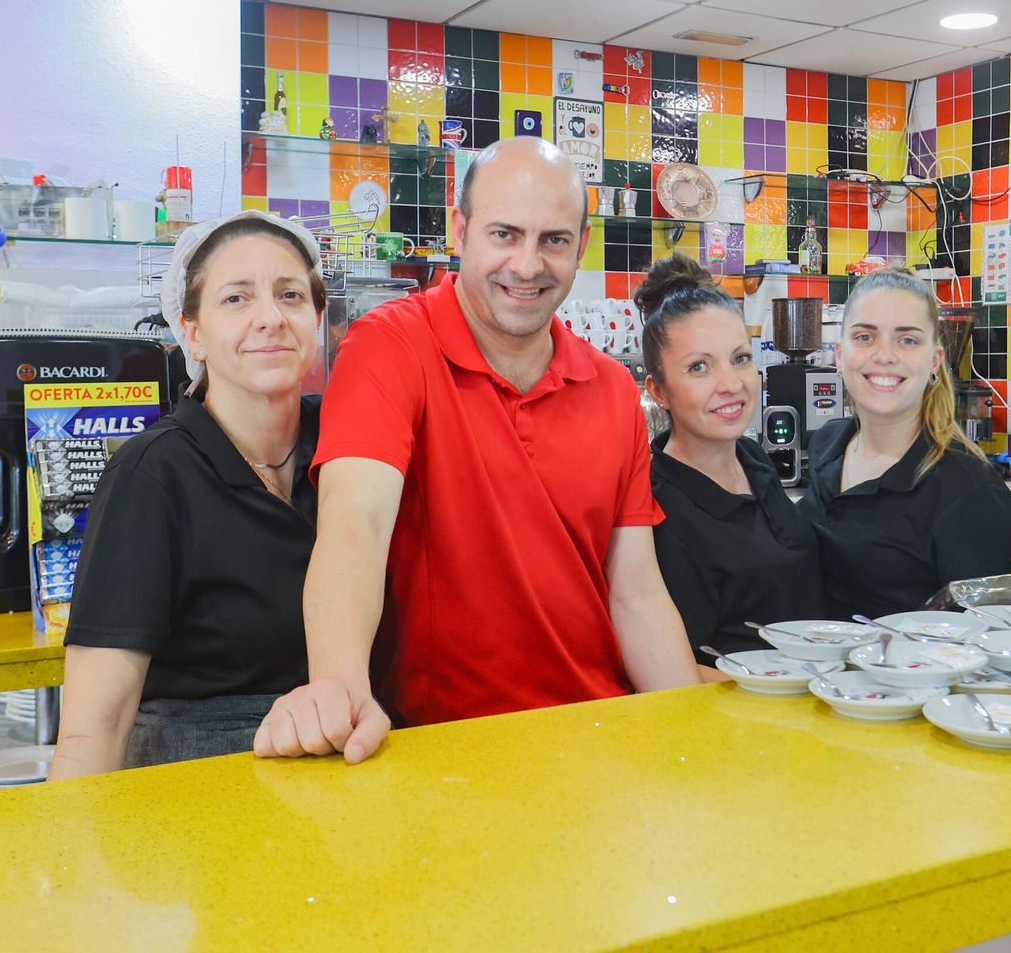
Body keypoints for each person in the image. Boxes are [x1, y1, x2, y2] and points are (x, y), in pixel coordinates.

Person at [255, 137, 700, 764]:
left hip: (603, 738)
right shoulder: (389, 347)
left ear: (581, 243)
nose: (527, 265)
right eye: (504, 234)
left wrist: (691, 738)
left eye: (554, 240)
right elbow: (355, 526)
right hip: (447, 750)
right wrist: (339, 686)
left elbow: (637, 595)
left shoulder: (609, 389)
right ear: (460, 230)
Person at [48, 210, 325, 777]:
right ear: (192, 333)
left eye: (291, 295)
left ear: (317, 318)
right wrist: (68, 858)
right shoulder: (152, 476)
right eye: (236, 300)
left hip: (341, 764)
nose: (270, 318)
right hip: (196, 781)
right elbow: (94, 725)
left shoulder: (348, 447)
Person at [634, 255, 823, 671]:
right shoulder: (659, 506)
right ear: (659, 391)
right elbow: (680, 669)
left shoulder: (753, 459)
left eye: (740, 359)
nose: (731, 384)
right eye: (699, 367)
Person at [800, 268, 1011, 621]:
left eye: (907, 340)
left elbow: (982, 644)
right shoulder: (827, 445)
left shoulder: (970, 491)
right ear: (838, 355)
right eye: (865, 337)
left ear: (935, 360)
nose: (884, 355)